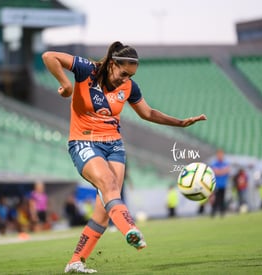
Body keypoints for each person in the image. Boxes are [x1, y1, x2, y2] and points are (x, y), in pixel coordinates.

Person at [42, 41, 207, 273]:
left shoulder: (130, 87)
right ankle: (130, 229)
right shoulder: (86, 69)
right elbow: (49, 56)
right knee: (108, 184)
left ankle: (76, 261)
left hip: (115, 146)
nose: (125, 79)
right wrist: (66, 85)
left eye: (130, 75)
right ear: (111, 64)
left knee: (104, 208)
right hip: (84, 141)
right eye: (123, 73)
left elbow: (147, 113)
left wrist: (180, 123)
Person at [210, 149, 230, 218]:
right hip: (216, 184)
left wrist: (220, 171)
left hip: (223, 184)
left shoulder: (225, 163)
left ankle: (222, 212)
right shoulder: (214, 163)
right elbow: (215, 172)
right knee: (215, 199)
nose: (220, 156)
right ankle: (213, 212)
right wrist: (222, 171)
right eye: (219, 154)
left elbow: (227, 170)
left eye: (221, 154)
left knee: (222, 199)